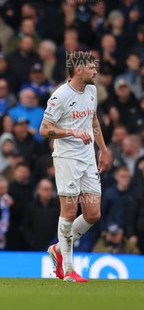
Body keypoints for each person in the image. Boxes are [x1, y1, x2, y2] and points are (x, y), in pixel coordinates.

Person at [40, 53, 111, 282]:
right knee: (69, 212)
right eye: (92, 67)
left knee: (92, 214)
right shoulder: (60, 95)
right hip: (67, 158)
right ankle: (69, 270)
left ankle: (58, 249)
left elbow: (93, 120)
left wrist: (103, 148)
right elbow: (44, 129)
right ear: (78, 70)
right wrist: (71, 131)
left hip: (88, 157)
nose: (95, 71)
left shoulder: (91, 91)